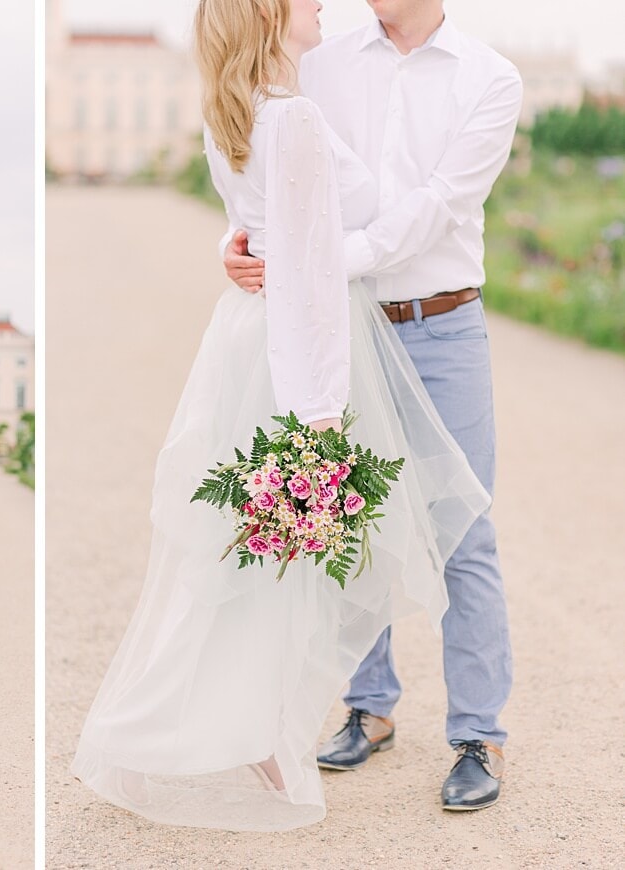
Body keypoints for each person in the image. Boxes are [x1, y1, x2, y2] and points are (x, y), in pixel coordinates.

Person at [70, 0, 491, 831]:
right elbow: (302, 271)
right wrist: (321, 409)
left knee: (266, 547)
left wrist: (257, 247)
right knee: (295, 546)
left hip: (250, 339)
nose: (322, 3)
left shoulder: (235, 106)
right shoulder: (293, 114)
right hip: (300, 344)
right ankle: (264, 732)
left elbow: (272, 227)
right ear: (269, 15)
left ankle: (261, 725)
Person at [222, 0, 520, 811]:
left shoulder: (491, 78)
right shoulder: (319, 60)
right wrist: (239, 243)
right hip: (342, 330)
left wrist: (313, 263)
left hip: (442, 322)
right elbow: (262, 162)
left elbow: (435, 210)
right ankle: (371, 706)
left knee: (463, 528)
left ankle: (478, 734)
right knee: (347, 524)